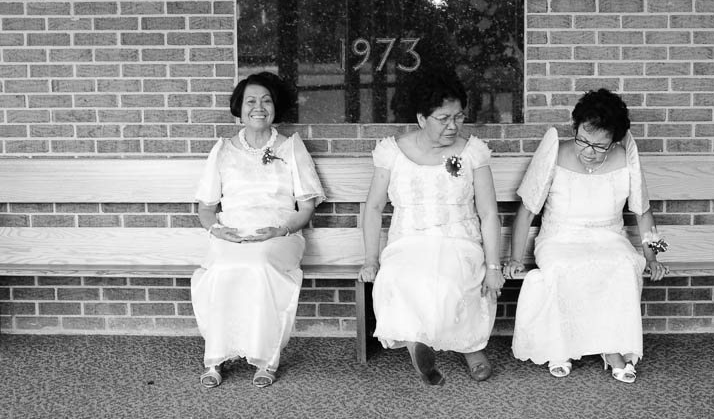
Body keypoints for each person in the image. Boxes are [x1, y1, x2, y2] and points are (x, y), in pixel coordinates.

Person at [503, 88, 668, 384]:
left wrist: (653, 257)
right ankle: (560, 346)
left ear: (614, 141)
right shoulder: (554, 152)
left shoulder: (626, 157)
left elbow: (642, 212)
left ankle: (612, 347)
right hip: (560, 237)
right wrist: (515, 258)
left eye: (600, 146)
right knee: (561, 267)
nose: (589, 151)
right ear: (575, 129)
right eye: (583, 140)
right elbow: (527, 211)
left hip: (609, 236)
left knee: (623, 266)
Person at [357, 72, 505, 386]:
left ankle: (471, 348)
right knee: (397, 276)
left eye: (459, 117)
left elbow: (489, 213)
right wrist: (371, 259)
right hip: (408, 240)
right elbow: (372, 208)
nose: (453, 126)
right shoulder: (392, 153)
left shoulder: (473, 152)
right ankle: (417, 343)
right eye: (443, 118)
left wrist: (494, 265)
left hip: (459, 239)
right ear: (422, 118)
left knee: (451, 279)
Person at [191, 71, 325, 388]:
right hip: (232, 232)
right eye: (251, 101)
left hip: (281, 234)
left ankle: (266, 359)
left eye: (266, 100)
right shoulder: (222, 150)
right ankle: (216, 357)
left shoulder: (291, 147)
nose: (259, 107)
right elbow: (206, 209)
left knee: (259, 263)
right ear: (239, 108)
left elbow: (305, 208)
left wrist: (279, 230)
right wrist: (217, 231)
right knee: (225, 267)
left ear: (275, 106)